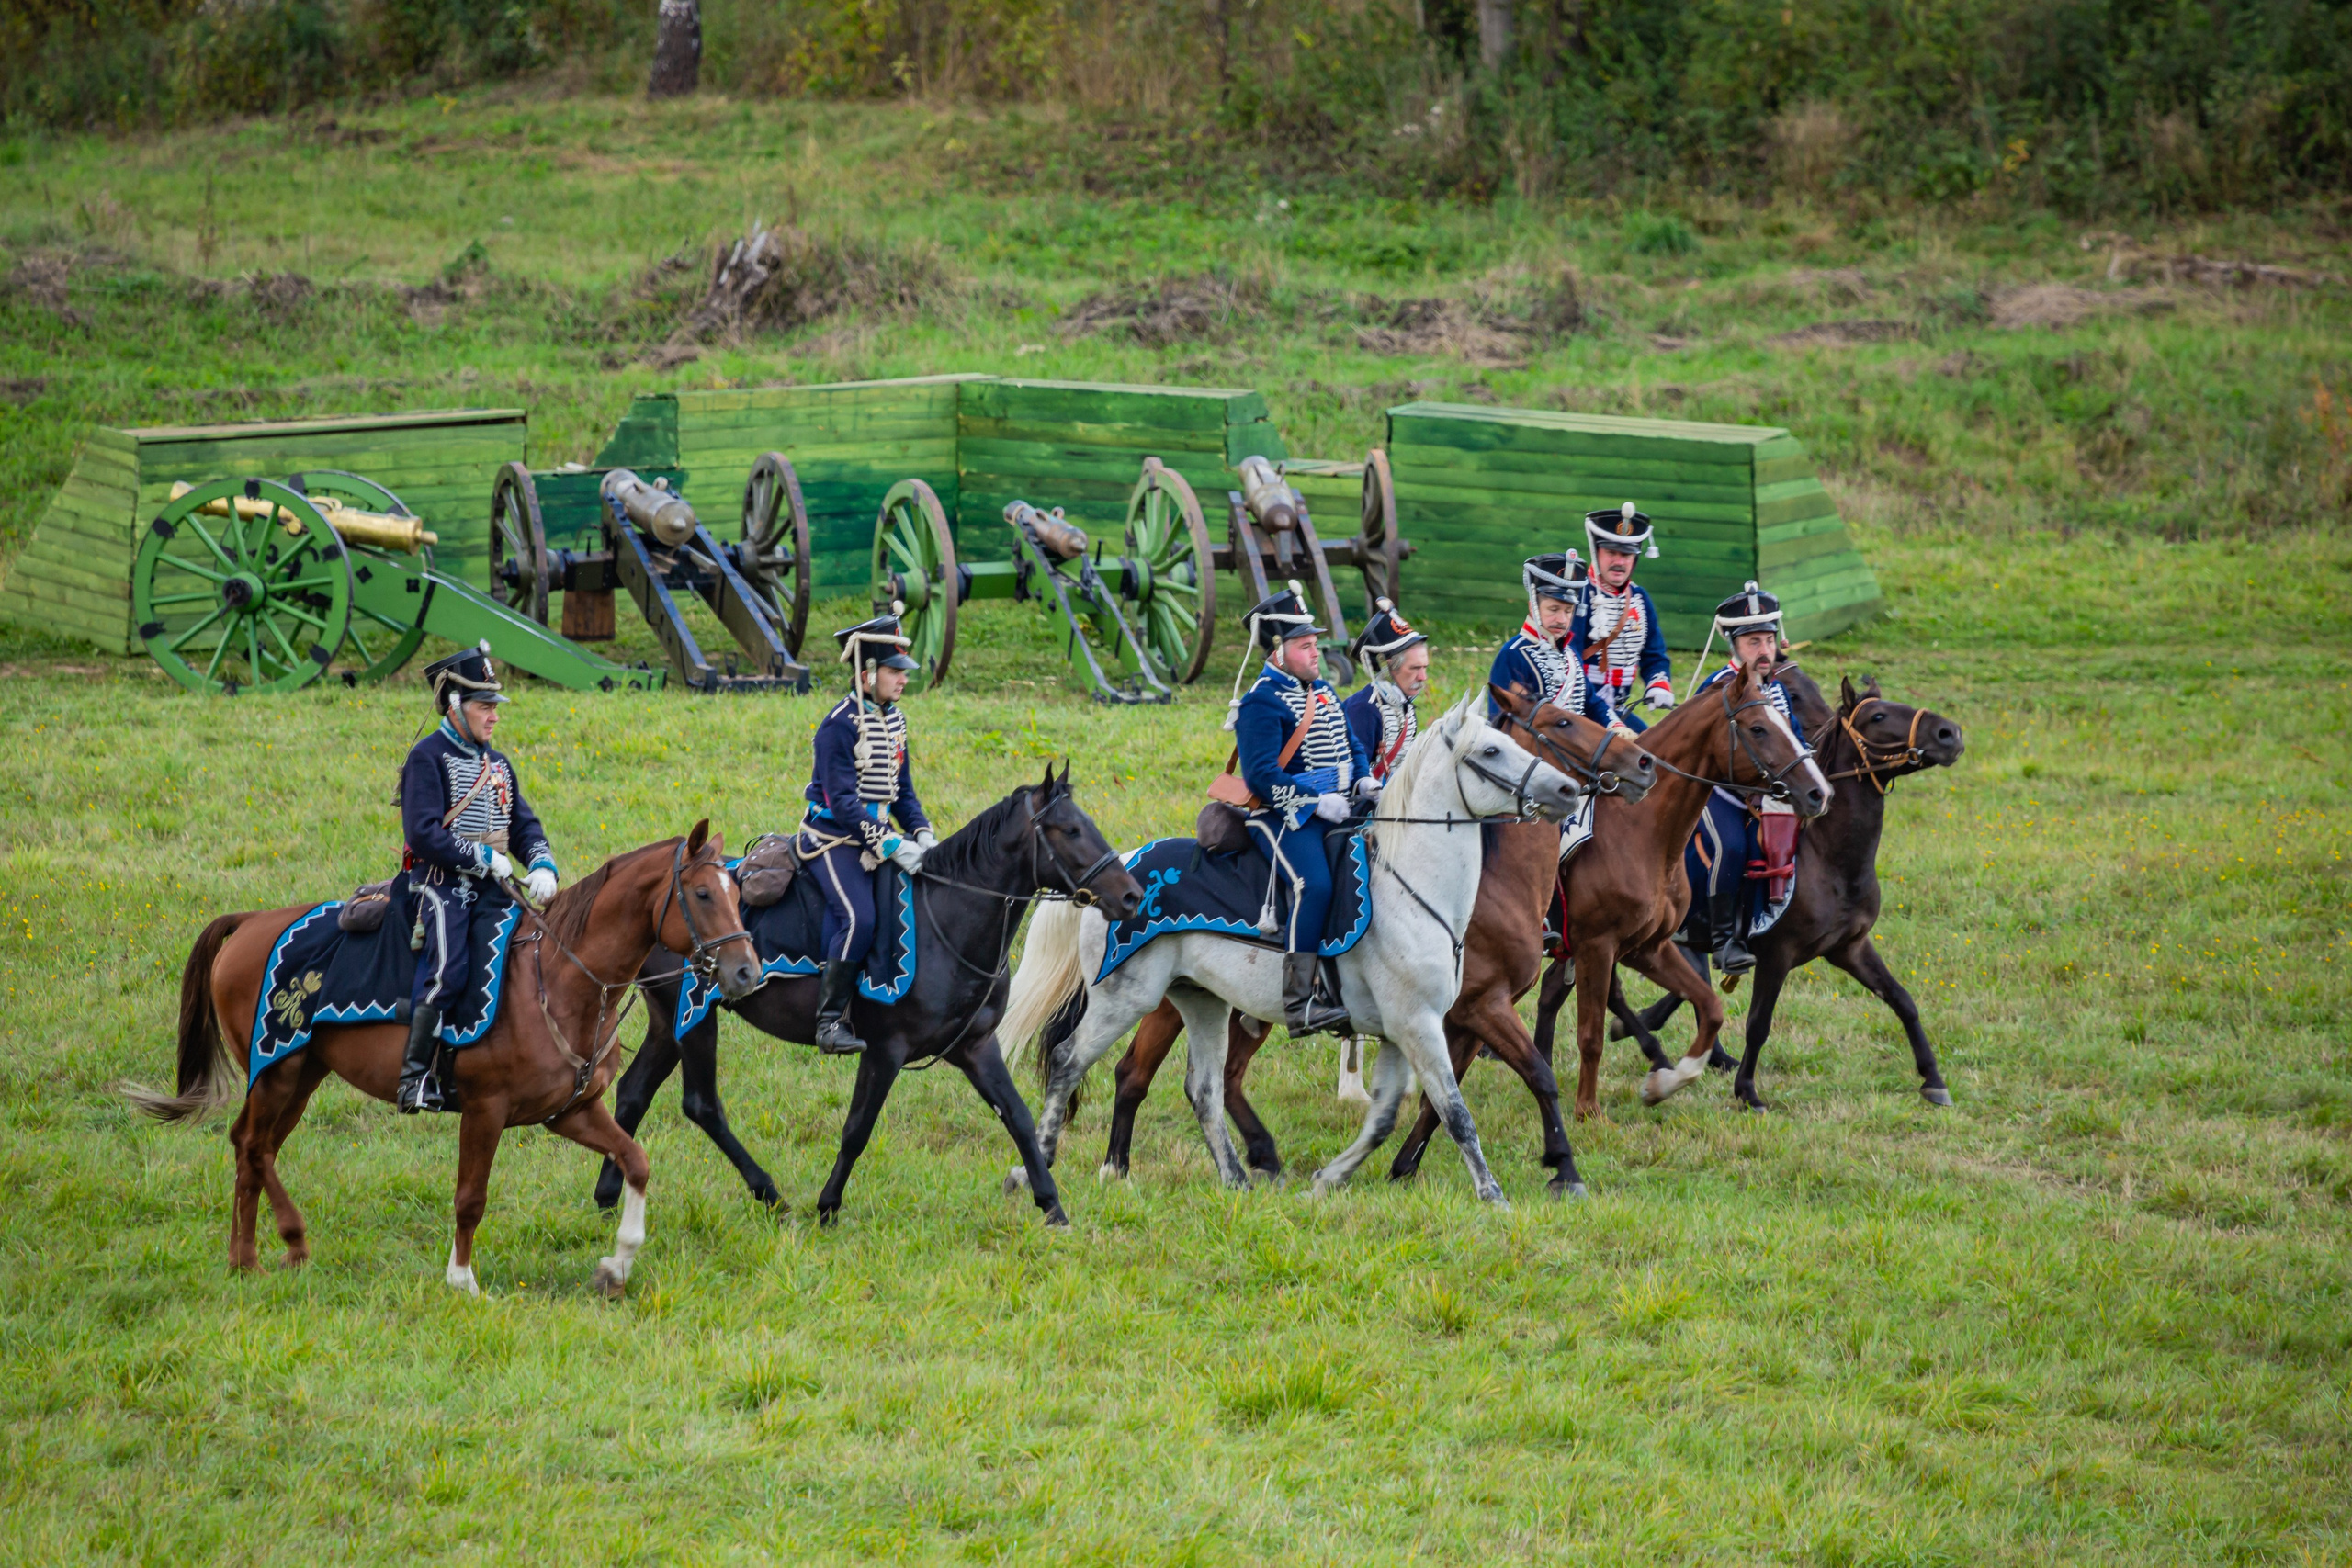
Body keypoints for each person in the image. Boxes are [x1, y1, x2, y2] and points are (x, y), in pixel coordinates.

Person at [397, 641, 560, 1114]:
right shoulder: (426, 758)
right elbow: (423, 833)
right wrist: (482, 857)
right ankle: (414, 1078)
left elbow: (523, 825)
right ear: (454, 706)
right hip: (437, 881)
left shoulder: (498, 763)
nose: (493, 717)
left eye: (495, 707)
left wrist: (543, 864)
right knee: (448, 966)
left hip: (493, 885)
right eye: (484, 707)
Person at [1227, 582, 1374, 1035]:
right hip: (1282, 815)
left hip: (1342, 805)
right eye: (1306, 646)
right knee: (1315, 885)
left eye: (1315, 644)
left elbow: (1351, 743)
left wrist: (1365, 776)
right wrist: (1314, 803)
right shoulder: (1260, 702)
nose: (1316, 653)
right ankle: (1299, 1001)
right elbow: (1261, 777)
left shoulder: (1324, 689)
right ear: (1278, 651)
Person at [797, 606, 934, 1056]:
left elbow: (902, 793)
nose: (903, 680)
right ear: (867, 672)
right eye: (895, 671)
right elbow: (843, 803)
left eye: (903, 671)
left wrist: (922, 833)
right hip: (831, 839)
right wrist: (893, 844)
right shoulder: (838, 725)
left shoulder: (895, 721)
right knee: (859, 917)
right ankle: (829, 1021)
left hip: (877, 838)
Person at [1688, 581, 1800, 976]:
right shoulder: (1718, 687)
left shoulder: (1777, 690)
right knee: (1732, 846)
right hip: (1718, 791)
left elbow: (1794, 739)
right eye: (1754, 642)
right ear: (1734, 646)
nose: (1765, 651)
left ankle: (1764, 922)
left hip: (1765, 794)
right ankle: (1722, 941)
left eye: (1769, 640)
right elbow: (1702, 751)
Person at [1577, 502, 1675, 731]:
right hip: (1580, 710)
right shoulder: (1580, 594)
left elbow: (1654, 654)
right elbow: (1570, 658)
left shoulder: (1640, 598)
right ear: (1596, 551)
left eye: (1626, 555)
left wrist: (1658, 683)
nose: (1619, 562)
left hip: (1618, 709)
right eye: (1611, 552)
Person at [1489, 552, 1605, 723]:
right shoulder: (1513, 655)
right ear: (1533, 607)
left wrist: (1614, 724)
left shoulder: (1571, 655)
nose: (1562, 620)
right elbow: (1501, 720)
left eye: (1568, 611)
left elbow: (1591, 703)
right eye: (1553, 609)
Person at [1341, 597, 1430, 784]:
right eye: (1414, 668)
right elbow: (1353, 777)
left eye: (1424, 667)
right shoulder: (1365, 709)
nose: (1423, 677)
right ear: (1391, 668)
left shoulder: (1404, 705)